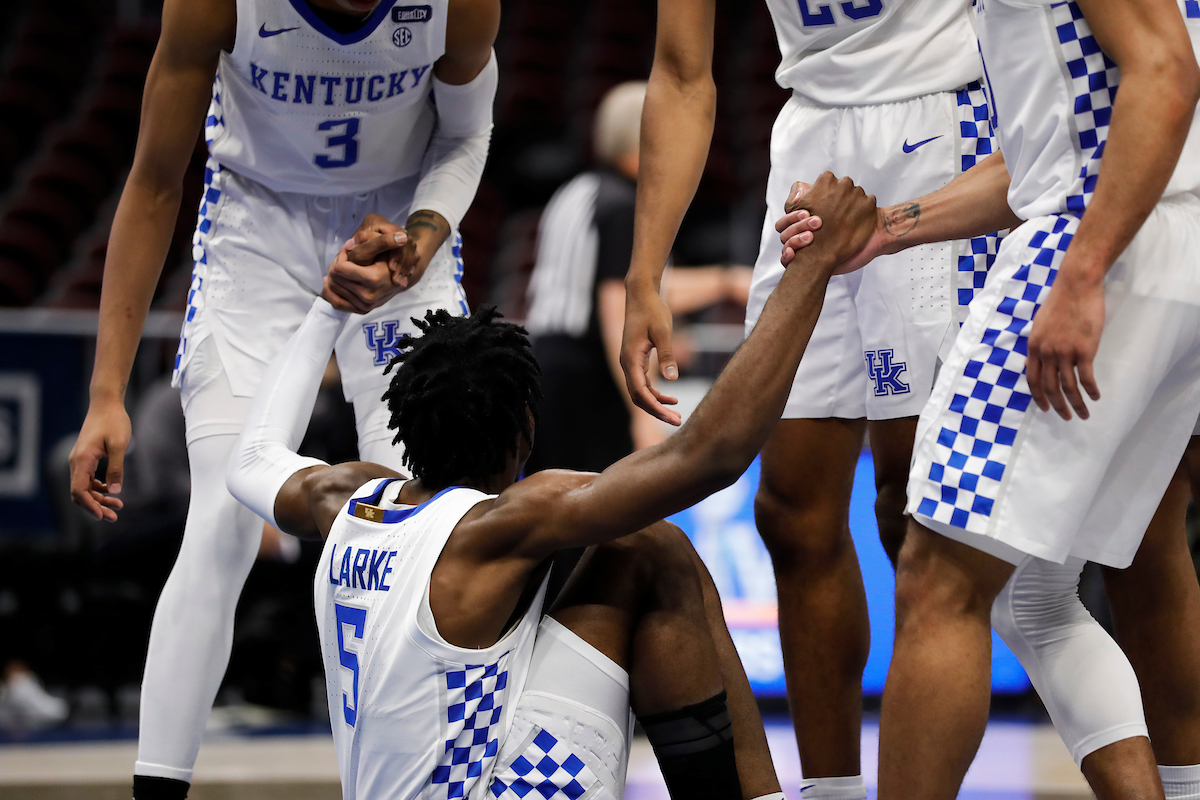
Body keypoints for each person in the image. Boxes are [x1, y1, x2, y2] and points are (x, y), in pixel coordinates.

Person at [223, 172, 878, 800]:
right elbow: (713, 455)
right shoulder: (504, 522)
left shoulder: (342, 502)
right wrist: (812, 268)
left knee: (633, 553)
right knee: (648, 546)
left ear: (405, 418)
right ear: (524, 434)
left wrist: (329, 307)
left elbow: (250, 458)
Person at [65, 0, 500, 795]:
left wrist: (425, 237)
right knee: (224, 523)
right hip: (257, 230)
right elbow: (155, 181)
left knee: (429, 527)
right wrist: (107, 393)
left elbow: (467, 133)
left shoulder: (460, 5)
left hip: (402, 229)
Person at [777, 0, 1200, 797]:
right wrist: (892, 227)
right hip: (1167, 244)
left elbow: (1168, 76)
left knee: (938, 581)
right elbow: (1051, 151)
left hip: (1094, 242)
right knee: (1041, 594)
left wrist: (1080, 271)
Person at [617, 3, 993, 795]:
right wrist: (645, 272)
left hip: (945, 119)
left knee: (914, 515)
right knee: (790, 510)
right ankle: (831, 791)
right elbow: (683, 74)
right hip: (813, 135)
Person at [524, 80, 751, 472]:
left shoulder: (578, 191)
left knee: (553, 507)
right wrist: (643, 410)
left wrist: (724, 283)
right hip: (589, 382)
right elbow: (620, 311)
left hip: (545, 367)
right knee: (599, 518)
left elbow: (632, 290)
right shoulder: (625, 206)